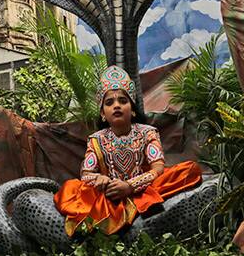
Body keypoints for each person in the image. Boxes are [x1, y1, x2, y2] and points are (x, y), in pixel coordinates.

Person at [53, 66, 203, 236]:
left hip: (142, 186)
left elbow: (158, 168)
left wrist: (130, 186)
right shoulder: (96, 139)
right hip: (110, 192)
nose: (116, 105)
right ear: (103, 114)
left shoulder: (148, 132)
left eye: (122, 101)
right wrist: (100, 179)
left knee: (189, 169)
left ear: (132, 109)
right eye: (109, 102)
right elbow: (86, 174)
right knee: (71, 188)